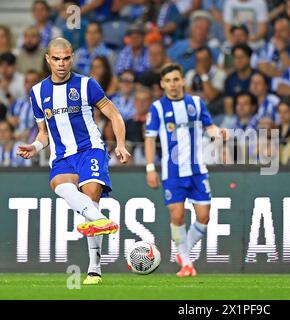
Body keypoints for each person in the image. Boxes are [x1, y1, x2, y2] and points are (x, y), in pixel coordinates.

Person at [16, 37, 131, 285]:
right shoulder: (37, 93)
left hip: (90, 149)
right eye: (56, 59)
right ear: (47, 59)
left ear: (72, 58)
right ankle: (98, 219)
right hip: (61, 156)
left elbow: (114, 115)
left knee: (90, 194)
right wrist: (34, 147)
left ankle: (94, 269)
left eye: (66, 58)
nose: (61, 64)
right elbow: (43, 134)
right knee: (59, 185)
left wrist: (120, 144)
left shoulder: (87, 85)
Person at [145, 63, 228, 277]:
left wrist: (219, 133)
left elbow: (210, 128)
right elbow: (150, 139)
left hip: (197, 169)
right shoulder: (157, 108)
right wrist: (150, 168)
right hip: (172, 171)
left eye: (176, 79)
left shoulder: (197, 103)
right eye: (168, 81)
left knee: (204, 216)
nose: (172, 84)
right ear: (162, 84)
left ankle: (184, 254)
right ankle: (186, 263)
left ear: (183, 80)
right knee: (178, 214)